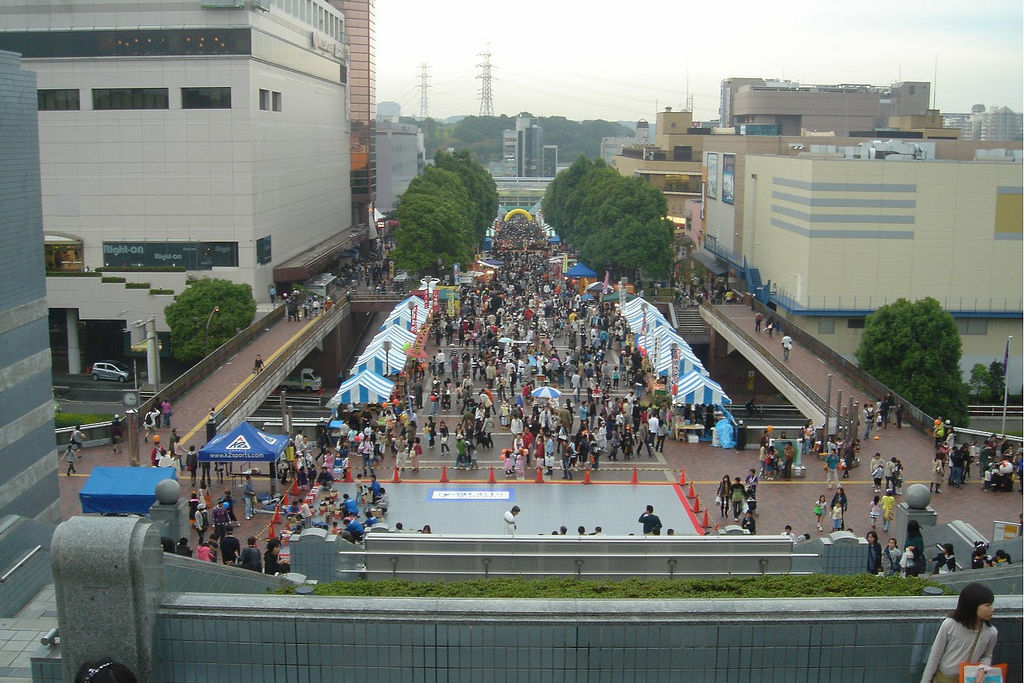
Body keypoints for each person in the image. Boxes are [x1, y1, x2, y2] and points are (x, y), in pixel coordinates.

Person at [920, 582, 998, 683]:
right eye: (987, 605)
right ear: (972, 606)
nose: (992, 609)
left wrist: (982, 668)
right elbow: (935, 656)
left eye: (992, 604)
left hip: (970, 678)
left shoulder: (990, 632)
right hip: (945, 679)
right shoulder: (950, 625)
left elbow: (987, 655)